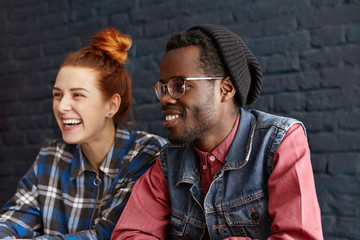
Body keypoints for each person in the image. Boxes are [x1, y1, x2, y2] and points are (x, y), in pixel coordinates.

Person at [111, 24, 323, 239]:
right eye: (163, 87)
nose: (165, 98)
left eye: (179, 85)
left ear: (226, 89)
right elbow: (130, 234)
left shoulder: (280, 141)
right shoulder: (169, 160)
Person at [0, 28, 167, 239]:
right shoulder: (50, 158)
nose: (62, 106)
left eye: (77, 95)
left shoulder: (147, 154)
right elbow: (13, 220)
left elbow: (107, 235)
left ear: (111, 105)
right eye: (57, 95)